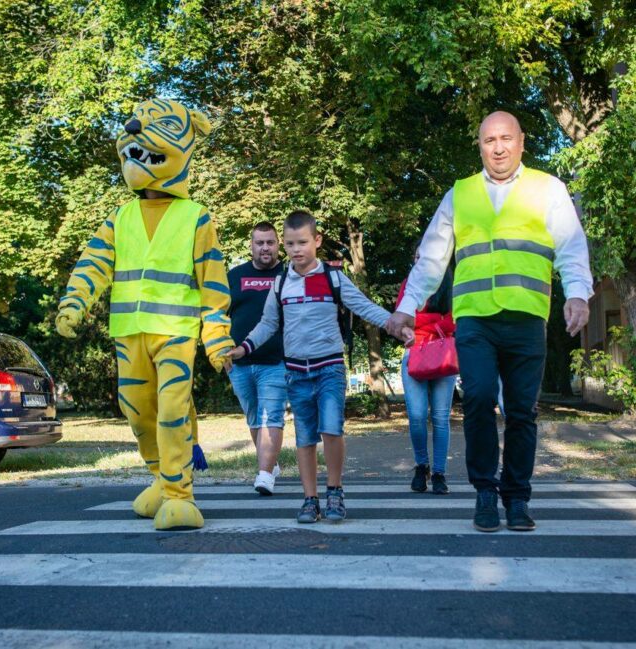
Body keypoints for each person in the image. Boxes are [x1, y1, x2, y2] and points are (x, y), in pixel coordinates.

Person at [387, 111, 592, 533]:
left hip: (526, 317)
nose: (497, 147)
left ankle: (516, 498)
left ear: (521, 142)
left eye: (505, 139)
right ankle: (484, 492)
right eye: (488, 140)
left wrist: (577, 294)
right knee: (479, 399)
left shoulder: (548, 188)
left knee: (521, 411)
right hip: (475, 319)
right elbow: (431, 257)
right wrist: (408, 305)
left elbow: (571, 246)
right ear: (479, 145)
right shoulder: (459, 194)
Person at [55, 99, 232, 531]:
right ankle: (160, 478)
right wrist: (75, 300)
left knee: (172, 409)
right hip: (128, 331)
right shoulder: (120, 216)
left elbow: (213, 281)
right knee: (136, 410)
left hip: (175, 331)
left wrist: (218, 337)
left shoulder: (196, 216)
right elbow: (92, 262)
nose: (135, 129)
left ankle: (179, 494)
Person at [227, 211, 397, 524]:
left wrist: (392, 323)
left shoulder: (333, 278)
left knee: (331, 429)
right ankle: (310, 498)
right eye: (290, 244)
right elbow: (268, 323)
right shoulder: (280, 283)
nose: (296, 249)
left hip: (329, 367)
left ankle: (335, 490)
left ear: (316, 241)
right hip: (296, 372)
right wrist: (243, 348)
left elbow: (362, 305)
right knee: (305, 438)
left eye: (302, 242)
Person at [226, 221, 287, 495]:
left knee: (270, 416)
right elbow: (218, 315)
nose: (265, 247)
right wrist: (221, 350)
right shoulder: (234, 276)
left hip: (276, 362)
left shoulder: (289, 276)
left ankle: (264, 474)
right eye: (259, 242)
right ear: (251, 245)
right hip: (238, 363)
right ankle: (269, 463)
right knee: (253, 417)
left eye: (270, 242)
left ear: (278, 245)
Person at [396, 249, 456, 495]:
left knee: (441, 418)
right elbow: (402, 320)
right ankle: (422, 466)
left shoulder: (451, 283)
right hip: (415, 355)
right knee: (417, 415)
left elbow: (456, 320)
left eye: (428, 255)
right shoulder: (408, 285)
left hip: (443, 355)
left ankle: (439, 473)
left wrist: (423, 322)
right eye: (417, 256)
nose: (421, 260)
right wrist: (436, 321)